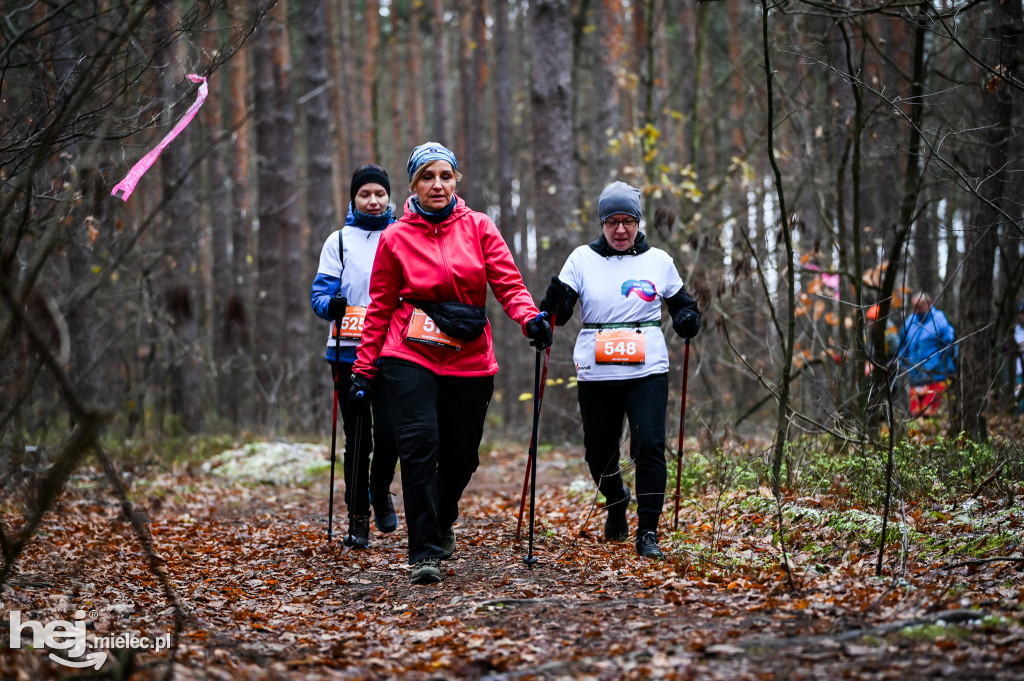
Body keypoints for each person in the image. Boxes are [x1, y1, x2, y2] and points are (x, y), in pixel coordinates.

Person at [348, 142, 551, 585]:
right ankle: (424, 552)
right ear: (414, 185)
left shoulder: (479, 227)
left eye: (444, 175)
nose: (436, 185)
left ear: (457, 179)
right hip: (409, 353)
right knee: (419, 447)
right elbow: (380, 307)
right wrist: (364, 367)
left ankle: (441, 521)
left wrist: (530, 318)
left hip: (469, 357)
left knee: (462, 457)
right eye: (427, 177)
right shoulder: (395, 237)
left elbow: (508, 284)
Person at [539, 181, 700, 559]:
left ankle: (648, 532)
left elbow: (682, 304)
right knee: (599, 453)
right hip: (597, 370)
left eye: (628, 221)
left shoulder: (659, 260)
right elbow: (557, 315)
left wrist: (688, 317)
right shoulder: (581, 258)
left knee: (649, 448)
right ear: (602, 223)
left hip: (647, 369)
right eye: (613, 222)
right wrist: (553, 305)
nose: (621, 230)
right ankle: (616, 499)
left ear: (639, 222)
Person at [310, 164, 400, 548]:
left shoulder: (402, 235)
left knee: (393, 435)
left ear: (389, 197)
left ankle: (380, 490)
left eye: (380, 193)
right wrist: (333, 305)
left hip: (395, 350)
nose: (374, 200)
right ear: (353, 199)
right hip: (347, 352)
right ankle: (358, 519)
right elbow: (319, 298)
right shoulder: (339, 242)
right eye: (366, 194)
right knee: (358, 438)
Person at [896, 292, 956, 417]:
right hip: (914, 377)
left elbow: (950, 344)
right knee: (916, 415)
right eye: (914, 306)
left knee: (933, 415)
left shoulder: (939, 319)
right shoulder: (910, 321)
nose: (916, 310)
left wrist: (939, 364)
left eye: (920, 306)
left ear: (929, 304)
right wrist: (902, 364)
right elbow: (902, 346)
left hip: (936, 376)